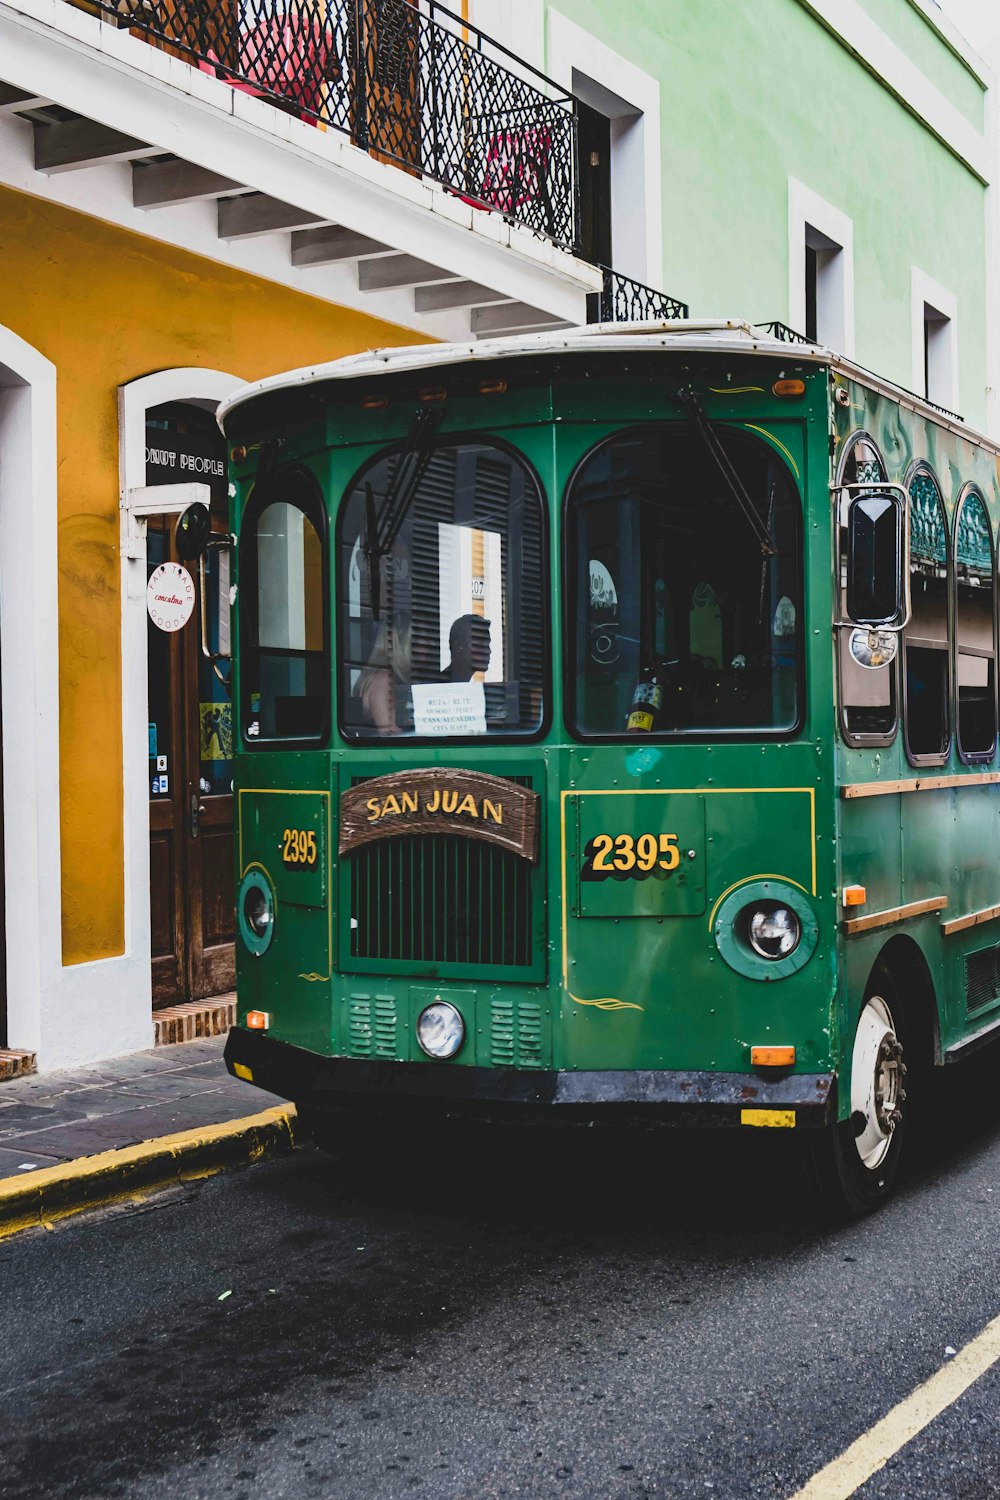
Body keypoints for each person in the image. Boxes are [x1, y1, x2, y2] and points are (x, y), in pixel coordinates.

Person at [355, 614, 411, 733]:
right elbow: (389, 733)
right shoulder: (383, 680)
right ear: (402, 644)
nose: (430, 644)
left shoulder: (397, 679)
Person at [443, 614, 491, 681]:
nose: (488, 651)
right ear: (459, 645)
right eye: (480, 644)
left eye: (487, 644)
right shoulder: (434, 688)